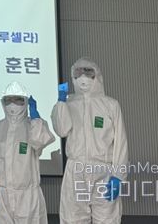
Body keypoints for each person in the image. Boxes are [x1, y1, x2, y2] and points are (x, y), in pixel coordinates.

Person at [51, 58, 129, 224]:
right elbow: (61, 130)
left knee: (107, 219)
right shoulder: (68, 103)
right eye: (78, 73)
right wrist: (61, 103)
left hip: (103, 170)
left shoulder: (110, 105)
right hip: (76, 169)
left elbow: (120, 142)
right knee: (73, 218)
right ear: (73, 76)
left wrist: (118, 175)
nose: (83, 77)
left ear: (97, 75)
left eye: (88, 72)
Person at [0, 81, 55, 224]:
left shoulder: (33, 126)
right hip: (1, 194)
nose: (12, 104)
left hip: (27, 195)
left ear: (25, 102)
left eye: (17, 100)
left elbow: (40, 141)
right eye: (8, 100)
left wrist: (35, 117)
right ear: (3, 102)